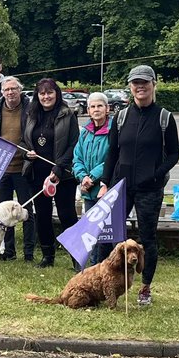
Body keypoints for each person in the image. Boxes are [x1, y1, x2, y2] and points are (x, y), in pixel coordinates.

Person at [101, 65, 179, 306]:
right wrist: (105, 183)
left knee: (147, 238)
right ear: (130, 87)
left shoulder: (164, 117)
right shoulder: (122, 117)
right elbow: (112, 153)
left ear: (154, 84)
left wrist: (155, 175)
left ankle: (145, 287)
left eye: (145, 82)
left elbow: (174, 154)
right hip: (122, 186)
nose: (140, 87)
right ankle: (109, 283)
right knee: (112, 235)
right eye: (136, 83)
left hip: (149, 189)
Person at [22, 78, 78, 269]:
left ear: (57, 93)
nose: (46, 97)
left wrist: (59, 168)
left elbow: (73, 145)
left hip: (63, 175)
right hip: (37, 174)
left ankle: (76, 257)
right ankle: (48, 255)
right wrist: (26, 152)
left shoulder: (68, 114)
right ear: (37, 95)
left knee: (67, 215)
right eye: (42, 93)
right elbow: (23, 141)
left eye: (49, 92)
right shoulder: (30, 114)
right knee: (42, 215)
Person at [0, 75, 34, 262]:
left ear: (20, 90)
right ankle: (9, 251)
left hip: (23, 168)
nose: (10, 92)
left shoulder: (30, 110)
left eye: (14, 89)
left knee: (27, 211)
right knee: (4, 214)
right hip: (2, 169)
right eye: (6, 90)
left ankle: (28, 253)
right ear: (2, 92)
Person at [72, 91, 112, 267]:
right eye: (93, 106)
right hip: (87, 191)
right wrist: (82, 177)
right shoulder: (85, 132)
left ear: (107, 108)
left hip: (104, 190)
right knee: (91, 232)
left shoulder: (113, 131)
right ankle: (93, 268)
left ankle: (106, 267)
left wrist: (93, 177)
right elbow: (76, 158)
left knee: (105, 234)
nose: (96, 110)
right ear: (88, 110)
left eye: (100, 106)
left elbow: (112, 157)